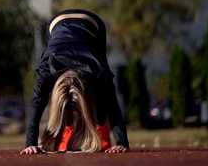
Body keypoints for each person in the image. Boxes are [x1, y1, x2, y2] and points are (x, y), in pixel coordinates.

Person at [20, 9, 129, 154]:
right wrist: (30, 144)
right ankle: (65, 135)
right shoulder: (47, 68)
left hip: (93, 25)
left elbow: (111, 104)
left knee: (102, 93)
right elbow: (36, 103)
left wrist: (122, 142)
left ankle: (102, 134)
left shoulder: (98, 70)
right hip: (55, 25)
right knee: (67, 102)